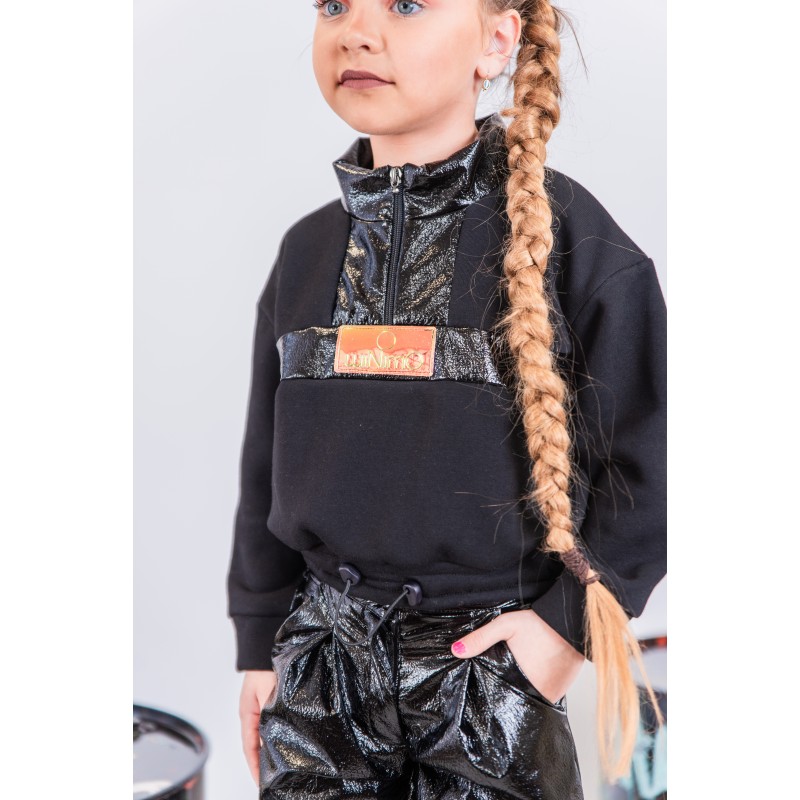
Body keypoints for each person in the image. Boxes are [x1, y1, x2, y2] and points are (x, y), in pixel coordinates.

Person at [227, 1, 666, 797]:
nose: (357, 31)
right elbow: (265, 465)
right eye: (334, 5)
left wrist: (563, 630)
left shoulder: (575, 244)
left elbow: (658, 457)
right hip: (321, 674)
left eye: (405, 5)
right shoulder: (305, 253)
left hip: (487, 681)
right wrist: (261, 645)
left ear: (496, 41)